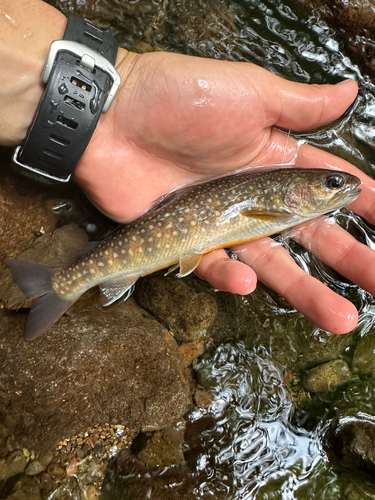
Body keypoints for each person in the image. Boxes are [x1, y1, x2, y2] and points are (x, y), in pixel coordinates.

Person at [2, 0, 375, 335]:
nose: (341, 186)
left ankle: (64, 283)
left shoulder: (278, 203)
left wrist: (108, 95)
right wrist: (121, 91)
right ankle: (61, 284)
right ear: (290, 193)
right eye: (332, 182)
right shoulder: (275, 206)